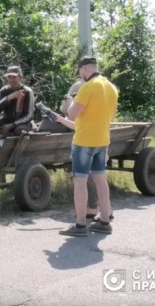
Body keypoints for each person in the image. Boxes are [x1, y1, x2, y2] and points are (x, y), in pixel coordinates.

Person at [52, 56, 118, 236]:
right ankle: (105, 221)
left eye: (80, 73)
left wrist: (70, 100)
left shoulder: (87, 87)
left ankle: (80, 225)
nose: (80, 76)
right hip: (102, 140)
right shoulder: (111, 87)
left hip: (84, 142)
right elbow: (109, 117)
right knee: (100, 180)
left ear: (84, 69)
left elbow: (72, 114)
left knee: (79, 182)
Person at [0, 65, 34, 163]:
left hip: (22, 123)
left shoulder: (28, 91)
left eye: (14, 77)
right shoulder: (4, 91)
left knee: (19, 130)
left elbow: (29, 115)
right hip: (7, 120)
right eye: (9, 77)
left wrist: (11, 125)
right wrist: (8, 98)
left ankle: (16, 157)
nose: (11, 80)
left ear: (20, 78)